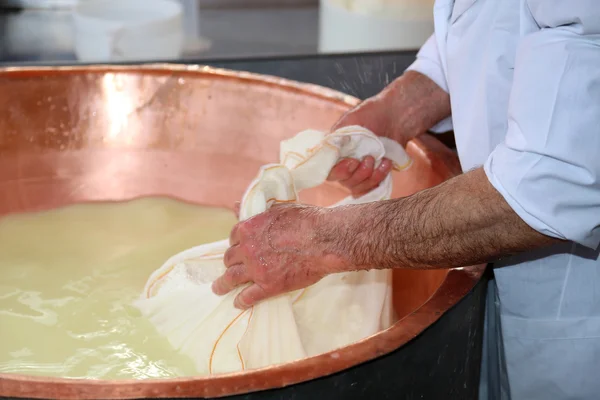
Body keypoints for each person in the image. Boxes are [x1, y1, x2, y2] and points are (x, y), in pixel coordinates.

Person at [212, 0, 600, 398]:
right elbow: (494, 20)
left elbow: (555, 181)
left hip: (577, 321)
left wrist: (325, 241)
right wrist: (398, 111)